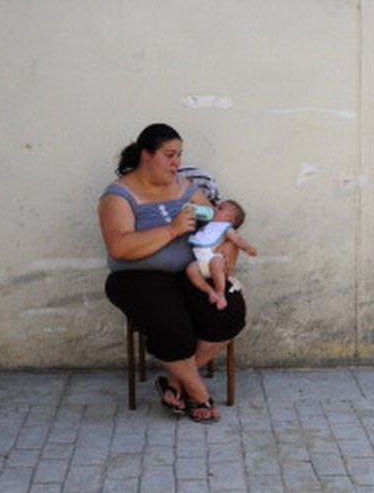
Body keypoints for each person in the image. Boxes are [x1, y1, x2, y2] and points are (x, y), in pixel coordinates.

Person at [98, 123, 246, 422]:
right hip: (137, 276)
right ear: (146, 155)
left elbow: (220, 227)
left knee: (228, 313)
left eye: (179, 155)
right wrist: (171, 230)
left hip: (190, 272)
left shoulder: (187, 188)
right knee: (172, 328)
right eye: (169, 155)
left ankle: (175, 383)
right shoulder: (118, 196)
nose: (177, 162)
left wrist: (229, 247)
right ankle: (199, 394)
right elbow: (120, 247)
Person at [185, 200, 258, 310]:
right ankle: (210, 291)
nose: (215, 208)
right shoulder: (208, 227)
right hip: (201, 262)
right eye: (216, 206)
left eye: (220, 208)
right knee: (191, 269)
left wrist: (247, 248)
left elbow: (237, 240)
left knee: (216, 262)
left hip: (214, 259)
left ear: (230, 220)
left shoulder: (226, 228)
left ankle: (220, 292)